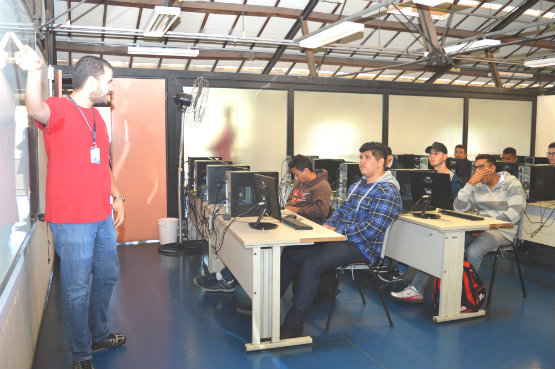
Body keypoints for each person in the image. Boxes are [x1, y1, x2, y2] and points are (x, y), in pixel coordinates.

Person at [16, 47, 126, 369]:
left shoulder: (98, 119)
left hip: (102, 217)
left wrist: (117, 196)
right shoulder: (60, 108)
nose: (111, 87)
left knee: (107, 277)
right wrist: (35, 71)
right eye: (109, 80)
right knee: (77, 290)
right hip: (71, 221)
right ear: (91, 81)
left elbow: (103, 165)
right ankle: (82, 354)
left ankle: (99, 333)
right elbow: (35, 107)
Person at [279, 142, 402, 339]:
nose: (361, 161)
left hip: (362, 247)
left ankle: (293, 326)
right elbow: (340, 213)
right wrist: (326, 227)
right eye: (360, 157)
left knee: (312, 263)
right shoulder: (358, 186)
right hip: (341, 239)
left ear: (381, 162)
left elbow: (371, 229)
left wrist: (338, 231)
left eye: (367, 157)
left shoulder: (387, 192)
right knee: (292, 253)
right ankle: (267, 307)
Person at [391, 154, 525, 303]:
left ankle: (465, 295)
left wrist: (486, 227)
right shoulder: (478, 186)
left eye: (481, 167)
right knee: (441, 245)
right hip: (482, 228)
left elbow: (515, 214)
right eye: (475, 169)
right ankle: (416, 289)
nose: (477, 172)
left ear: (492, 168)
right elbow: (459, 208)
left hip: (503, 231)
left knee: (473, 252)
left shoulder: (512, 184)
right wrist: (470, 184)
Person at [193, 154, 332, 292]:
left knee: (259, 249)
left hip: (305, 229)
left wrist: (298, 211)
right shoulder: (300, 183)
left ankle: (228, 279)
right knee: (249, 245)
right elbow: (291, 201)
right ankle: (224, 277)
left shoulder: (322, 186)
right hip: (290, 219)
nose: (295, 179)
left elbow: (322, 211)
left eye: (297, 175)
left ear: (306, 171)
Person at [379, 141, 463, 283]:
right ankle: (386, 262)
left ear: (445, 156)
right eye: (430, 154)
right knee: (399, 226)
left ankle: (401, 270)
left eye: (436, 153)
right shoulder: (426, 176)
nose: (432, 156)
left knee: (410, 233)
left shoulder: (454, 180)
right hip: (426, 215)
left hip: (443, 221)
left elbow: (454, 207)